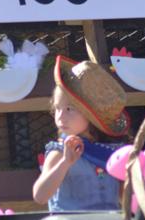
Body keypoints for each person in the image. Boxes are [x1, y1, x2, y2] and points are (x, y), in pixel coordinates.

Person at [33, 55, 131, 211]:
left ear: (92, 117)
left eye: (69, 109)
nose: (60, 117)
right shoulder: (59, 151)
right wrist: (65, 162)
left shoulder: (111, 153)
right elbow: (40, 196)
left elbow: (125, 200)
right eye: (57, 108)